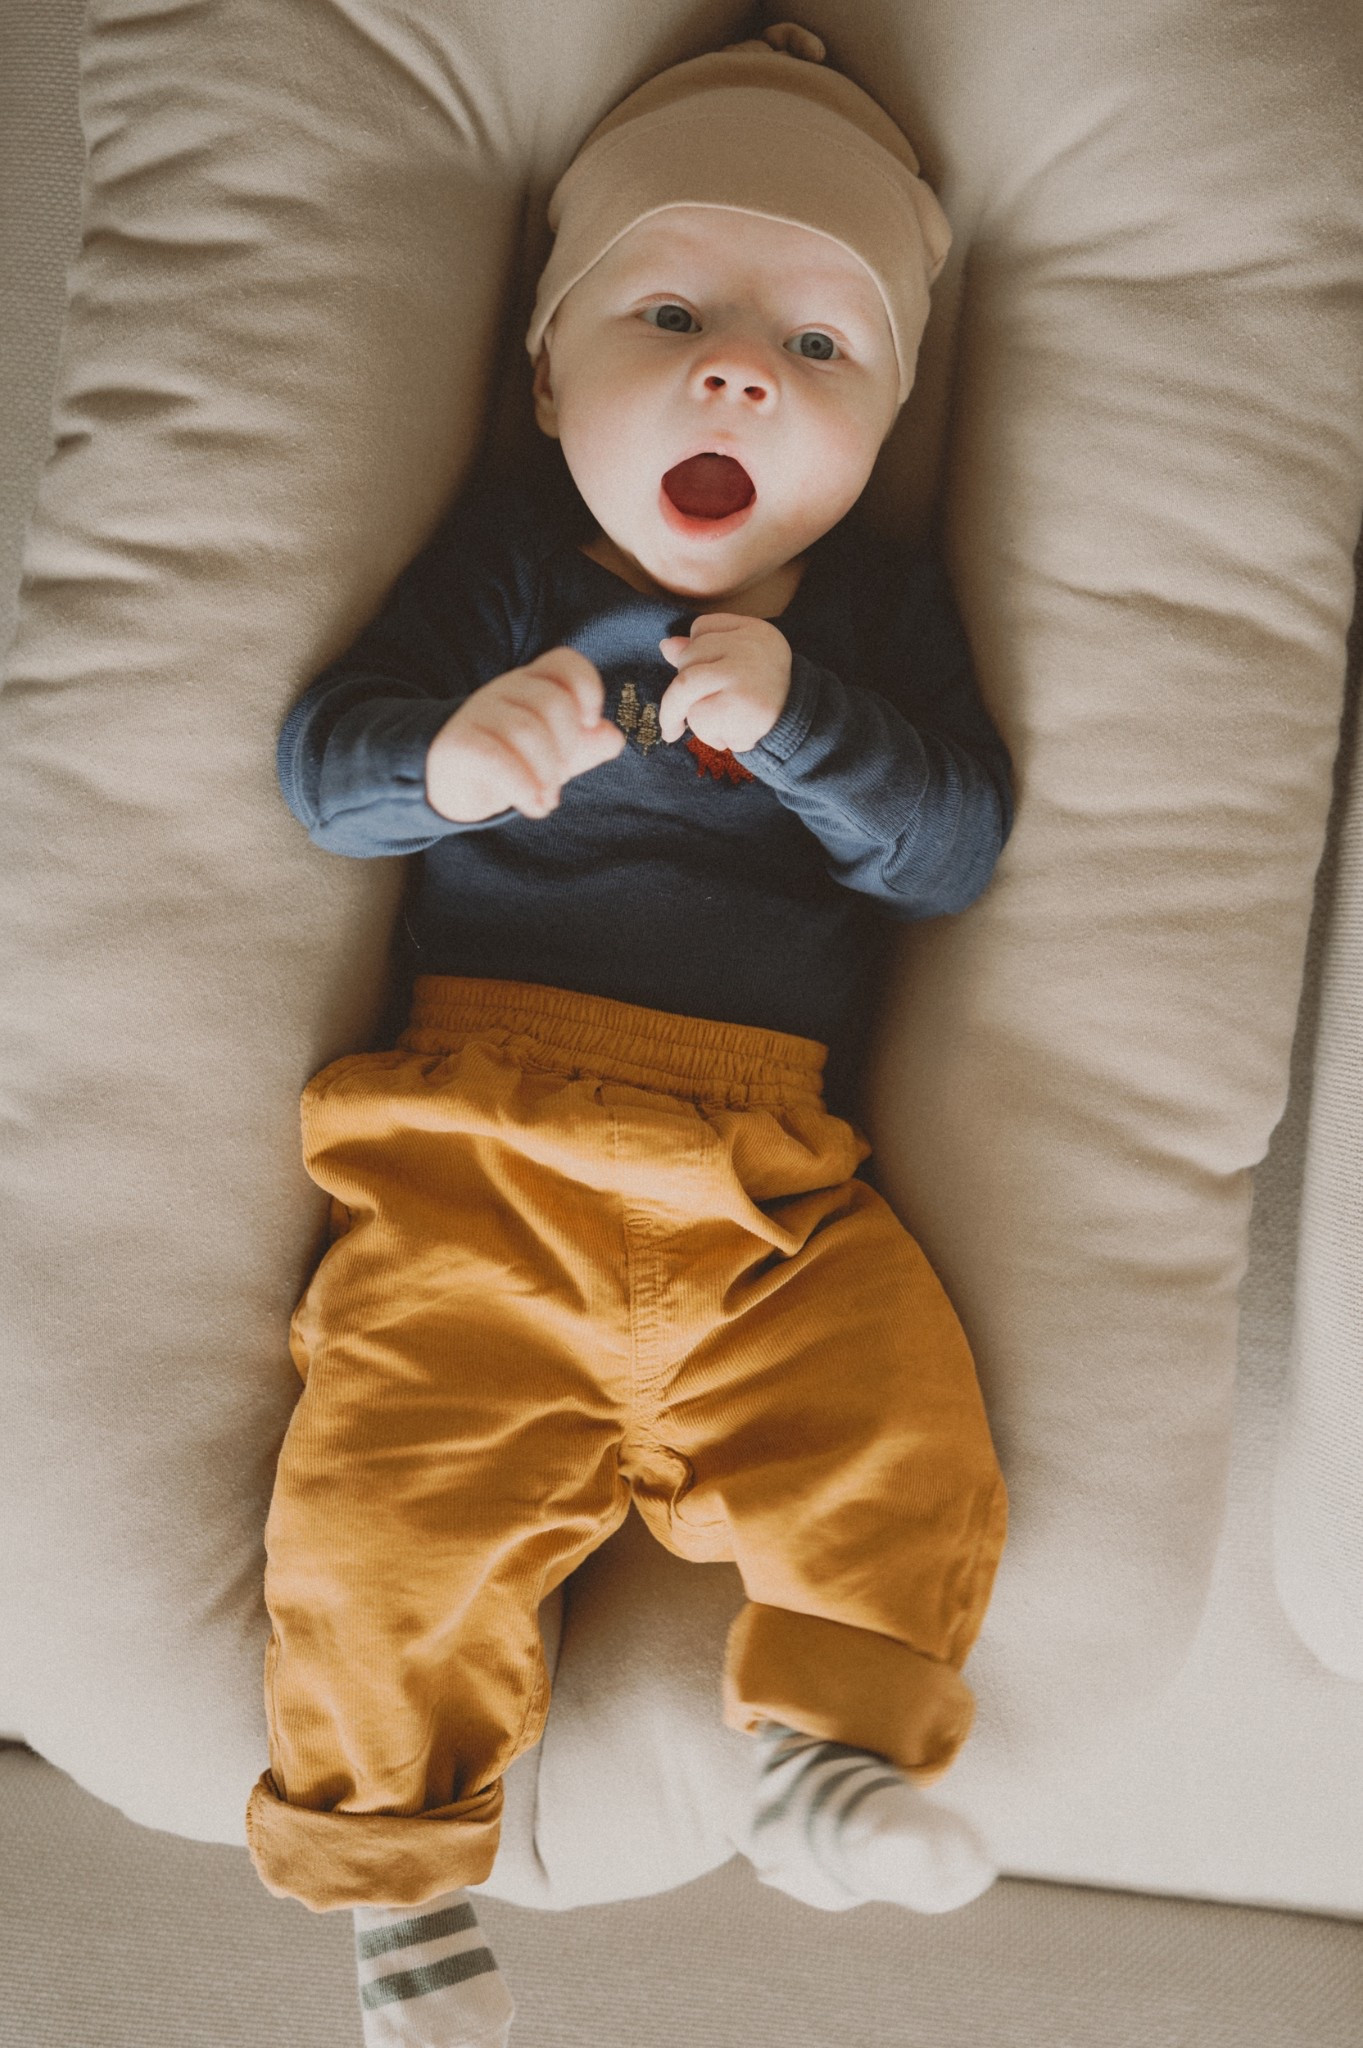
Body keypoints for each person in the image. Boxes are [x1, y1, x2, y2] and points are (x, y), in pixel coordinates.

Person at [246, 23, 1012, 2046]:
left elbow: (949, 850)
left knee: (901, 1428)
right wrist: (456, 753)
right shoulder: (512, 571)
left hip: (766, 1185)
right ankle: (396, 1876)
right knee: (380, 1511)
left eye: (818, 350)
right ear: (545, 377)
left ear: (866, 441)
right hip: (473, 1165)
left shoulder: (867, 625)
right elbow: (324, 776)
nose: (741, 367)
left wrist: (816, 721)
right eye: (671, 313)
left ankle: (833, 1753)